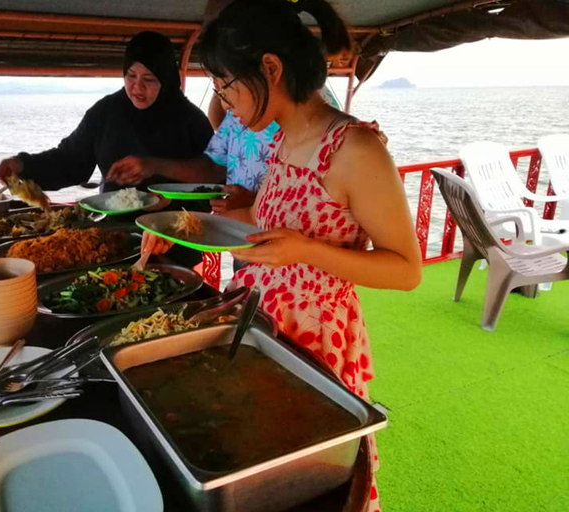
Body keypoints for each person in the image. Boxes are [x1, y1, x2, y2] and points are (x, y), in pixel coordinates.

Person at [142, 0, 422, 508]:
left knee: (308, 482)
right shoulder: (283, 141)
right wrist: (177, 229)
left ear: (270, 68)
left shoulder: (355, 149)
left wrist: (306, 251)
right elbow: (259, 226)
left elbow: (406, 270)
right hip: (261, 324)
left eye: (227, 85)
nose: (225, 102)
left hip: (318, 337)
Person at [0, 31, 213, 192]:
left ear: (166, 79)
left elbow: (214, 172)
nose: (137, 88)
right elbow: (70, 161)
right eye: (130, 76)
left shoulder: (190, 119)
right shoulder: (106, 112)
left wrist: (154, 165)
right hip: (117, 232)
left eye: (149, 79)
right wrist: (23, 165)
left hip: (177, 232)